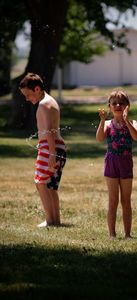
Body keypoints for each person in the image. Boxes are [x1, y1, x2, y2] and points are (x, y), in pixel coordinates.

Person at [19, 73, 66, 227]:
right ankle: (54, 220)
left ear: (37, 88)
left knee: (41, 182)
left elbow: (49, 132)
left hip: (50, 148)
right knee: (50, 185)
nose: (26, 98)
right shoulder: (51, 101)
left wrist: (51, 155)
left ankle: (51, 221)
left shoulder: (43, 105)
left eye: (28, 94)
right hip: (58, 147)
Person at [96, 90, 137, 238]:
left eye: (121, 103)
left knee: (126, 200)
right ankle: (112, 234)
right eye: (114, 103)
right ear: (109, 107)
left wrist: (126, 121)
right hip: (111, 163)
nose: (118, 105)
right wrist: (102, 120)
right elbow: (100, 138)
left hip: (126, 164)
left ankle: (128, 234)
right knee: (113, 200)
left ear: (127, 106)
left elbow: (136, 137)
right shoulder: (108, 123)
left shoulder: (132, 123)